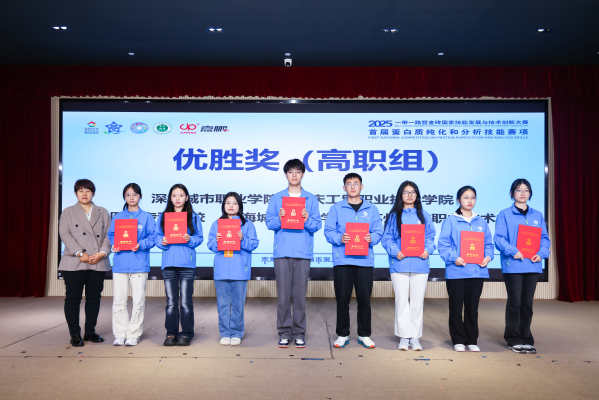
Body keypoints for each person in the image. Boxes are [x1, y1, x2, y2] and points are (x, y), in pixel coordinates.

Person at [266, 159, 322, 348]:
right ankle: (284, 332)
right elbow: (269, 223)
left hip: (303, 252)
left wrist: (307, 219)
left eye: (298, 171)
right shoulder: (277, 198)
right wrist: (280, 218)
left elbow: (316, 226)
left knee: (299, 297)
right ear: (286, 175)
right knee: (283, 297)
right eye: (291, 171)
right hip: (282, 252)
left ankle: (299, 332)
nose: (294, 175)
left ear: (303, 174)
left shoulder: (310, 199)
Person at [324, 173, 383, 349]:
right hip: (343, 260)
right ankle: (342, 334)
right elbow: (328, 231)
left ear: (361, 187)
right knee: (342, 299)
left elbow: (378, 232)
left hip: (364, 261)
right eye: (349, 184)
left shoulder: (371, 209)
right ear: (344, 188)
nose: (352, 186)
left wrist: (371, 238)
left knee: (364, 300)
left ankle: (364, 334)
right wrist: (339, 238)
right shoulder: (336, 208)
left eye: (356, 183)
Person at [494, 179, 550, 354]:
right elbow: (499, 239)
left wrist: (541, 254)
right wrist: (513, 251)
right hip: (513, 265)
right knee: (515, 303)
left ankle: (526, 338)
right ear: (512, 193)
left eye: (526, 190)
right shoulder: (504, 214)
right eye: (519, 190)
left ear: (530, 193)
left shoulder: (537, 215)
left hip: (533, 264)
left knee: (527, 303)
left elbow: (544, 239)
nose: (523, 193)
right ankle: (513, 338)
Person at [437, 186, 494, 352]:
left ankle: (472, 339)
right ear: (458, 200)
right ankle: (458, 339)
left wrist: (488, 257)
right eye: (466, 197)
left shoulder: (481, 221)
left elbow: (488, 244)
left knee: (472, 307)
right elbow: (443, 244)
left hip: (477, 271)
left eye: (473, 197)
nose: (470, 200)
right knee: (456, 307)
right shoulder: (450, 220)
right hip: (456, 271)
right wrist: (454, 258)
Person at [381, 180, 436, 351]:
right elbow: (386, 239)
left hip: (420, 264)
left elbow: (430, 237)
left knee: (417, 302)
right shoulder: (394, 216)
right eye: (406, 192)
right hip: (400, 264)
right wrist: (395, 251)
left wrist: (428, 249)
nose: (409, 195)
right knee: (402, 302)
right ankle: (404, 337)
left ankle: (415, 337)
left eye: (412, 192)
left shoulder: (424, 215)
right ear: (400, 195)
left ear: (417, 195)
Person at [58, 179, 111, 347]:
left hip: (97, 260)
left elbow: (109, 235)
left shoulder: (103, 211)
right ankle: (75, 334)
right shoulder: (68, 211)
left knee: (94, 298)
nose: (84, 194)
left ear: (93, 193)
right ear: (76, 193)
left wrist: (102, 252)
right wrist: (80, 253)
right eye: (80, 191)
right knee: (73, 299)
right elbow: (64, 234)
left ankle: (90, 332)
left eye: (88, 191)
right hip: (74, 261)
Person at [107, 183, 156, 347]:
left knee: (138, 301)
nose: (131, 197)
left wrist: (140, 244)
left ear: (140, 196)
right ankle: (120, 334)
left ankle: (134, 334)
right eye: (128, 195)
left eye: (135, 194)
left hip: (139, 264)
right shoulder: (118, 217)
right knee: (118, 301)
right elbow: (111, 236)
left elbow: (153, 238)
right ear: (124, 197)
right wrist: (114, 244)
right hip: (120, 264)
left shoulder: (147, 217)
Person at [207, 192, 259, 346]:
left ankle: (236, 332)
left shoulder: (247, 224)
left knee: (237, 305)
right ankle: (225, 333)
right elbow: (210, 245)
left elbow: (254, 244)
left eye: (235, 203)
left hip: (240, 270)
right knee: (222, 305)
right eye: (228, 203)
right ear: (223, 205)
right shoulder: (217, 224)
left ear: (239, 205)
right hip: (221, 270)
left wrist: (242, 239)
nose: (231, 206)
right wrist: (217, 242)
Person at [155, 184, 203, 346]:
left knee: (185, 302)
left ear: (186, 198)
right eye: (174, 195)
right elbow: (156, 237)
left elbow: (199, 238)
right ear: (170, 198)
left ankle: (187, 333)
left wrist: (190, 239)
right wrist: (161, 241)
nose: (177, 198)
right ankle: (171, 333)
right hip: (168, 264)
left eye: (181, 195)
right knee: (171, 301)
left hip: (187, 265)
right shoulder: (163, 217)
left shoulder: (193, 217)